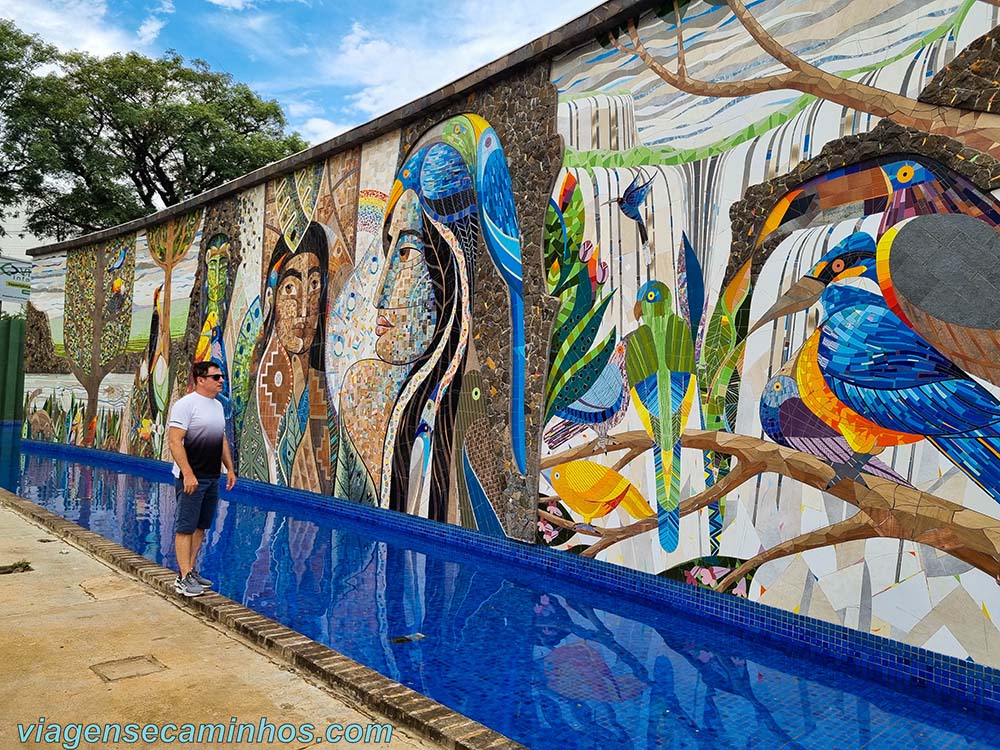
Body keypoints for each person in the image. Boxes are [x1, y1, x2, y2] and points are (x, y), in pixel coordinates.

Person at [169, 361, 237, 597]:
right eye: (216, 377)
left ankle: (190, 571)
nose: (221, 381)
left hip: (211, 476)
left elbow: (221, 440)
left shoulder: (217, 406)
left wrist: (230, 468)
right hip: (192, 477)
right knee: (186, 526)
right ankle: (183, 577)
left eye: (221, 377)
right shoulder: (185, 405)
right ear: (200, 379)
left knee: (201, 526)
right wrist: (187, 473)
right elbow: (175, 441)